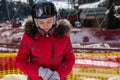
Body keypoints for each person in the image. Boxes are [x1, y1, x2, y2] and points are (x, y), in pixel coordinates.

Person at [15, 0, 75, 80]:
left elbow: (70, 59)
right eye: (41, 22)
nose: (45, 25)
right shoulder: (29, 36)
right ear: (35, 22)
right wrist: (40, 71)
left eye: (49, 21)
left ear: (54, 19)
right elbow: (20, 61)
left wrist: (58, 75)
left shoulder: (63, 36)